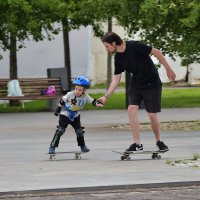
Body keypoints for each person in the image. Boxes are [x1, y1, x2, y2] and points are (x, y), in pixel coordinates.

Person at [98, 32, 176, 152]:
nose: (106, 49)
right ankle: (137, 144)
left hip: (152, 83)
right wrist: (105, 96)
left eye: (107, 46)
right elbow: (116, 80)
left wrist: (168, 69)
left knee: (152, 114)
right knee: (131, 109)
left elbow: (156, 52)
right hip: (136, 85)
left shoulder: (134, 46)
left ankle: (159, 141)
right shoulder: (118, 58)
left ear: (114, 43)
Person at [48, 76, 103, 154]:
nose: (77, 91)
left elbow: (93, 101)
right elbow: (62, 101)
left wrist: (98, 104)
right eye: (76, 89)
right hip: (65, 114)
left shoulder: (85, 96)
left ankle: (83, 146)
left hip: (76, 115)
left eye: (80, 90)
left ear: (84, 90)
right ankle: (52, 146)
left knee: (79, 131)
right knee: (60, 130)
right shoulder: (70, 94)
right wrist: (58, 109)